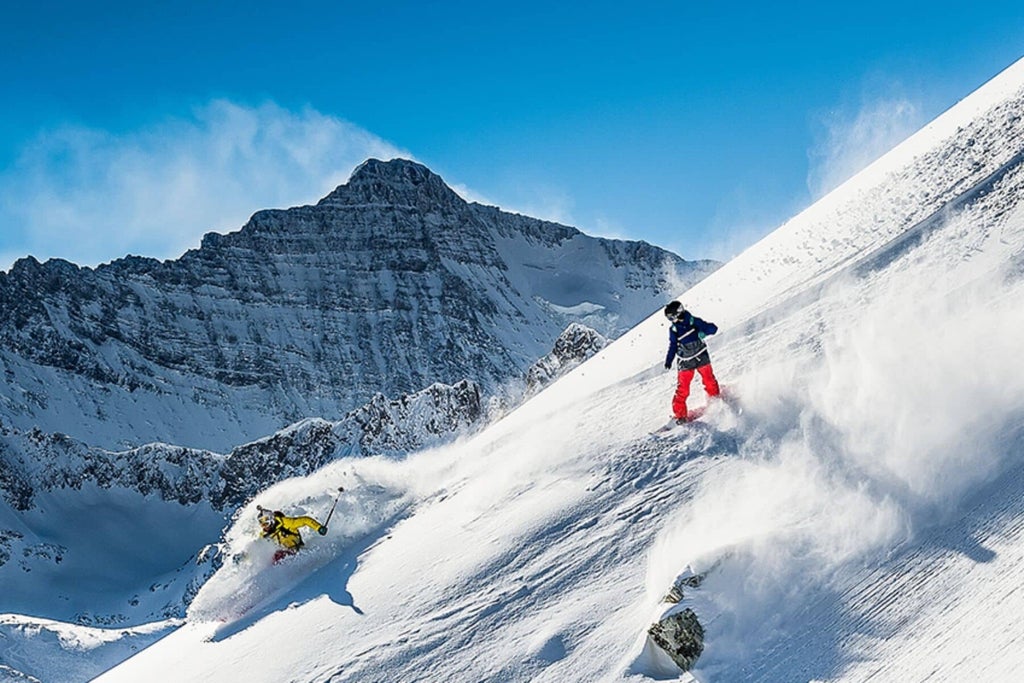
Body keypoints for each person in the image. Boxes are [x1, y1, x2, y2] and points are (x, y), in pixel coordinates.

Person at [663, 301, 721, 423]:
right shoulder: (673, 329)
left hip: (701, 355)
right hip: (686, 361)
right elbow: (673, 345)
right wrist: (669, 360)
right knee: (683, 388)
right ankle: (680, 415)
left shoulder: (693, 321)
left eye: (671, 317)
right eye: (669, 318)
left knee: (709, 379)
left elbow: (713, 328)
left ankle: (715, 399)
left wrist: (703, 332)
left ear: (678, 313)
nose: (671, 320)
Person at [257, 505, 328, 563]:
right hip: (281, 552)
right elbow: (259, 547)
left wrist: (318, 527)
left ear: (272, 520)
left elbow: (305, 520)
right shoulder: (264, 534)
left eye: (266, 524)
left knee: (279, 555)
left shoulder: (285, 522)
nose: (265, 527)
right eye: (262, 525)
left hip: (296, 549)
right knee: (273, 557)